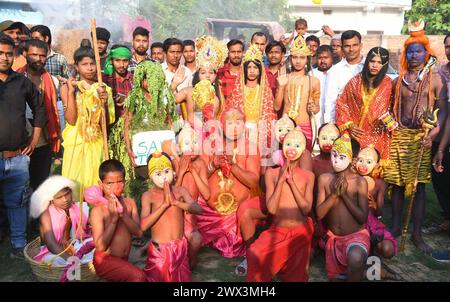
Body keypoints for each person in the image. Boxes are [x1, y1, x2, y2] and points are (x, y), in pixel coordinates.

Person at [384, 20, 447, 253]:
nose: (413, 55)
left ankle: (417, 234)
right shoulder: (398, 80)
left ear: (425, 52)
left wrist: (433, 134)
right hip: (399, 136)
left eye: (418, 50)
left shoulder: (435, 79)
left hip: (421, 138)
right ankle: (396, 226)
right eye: (409, 51)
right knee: (397, 185)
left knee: (419, 187)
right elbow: (392, 109)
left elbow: (442, 114)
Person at [246, 128, 314, 282]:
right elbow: (271, 209)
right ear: (282, 146)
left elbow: (306, 209)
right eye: (289, 143)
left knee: (295, 277)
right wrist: (281, 180)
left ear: (303, 151)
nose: (292, 148)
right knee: (254, 254)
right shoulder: (272, 173)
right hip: (278, 231)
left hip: (300, 231)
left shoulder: (308, 176)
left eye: (297, 145)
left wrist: (291, 182)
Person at [0, 34, 46, 258]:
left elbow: (40, 108)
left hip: (16, 157)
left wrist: (35, 139)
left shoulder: (21, 82)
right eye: (0, 53)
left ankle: (18, 246)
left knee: (17, 203)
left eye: (9, 53)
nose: (5, 58)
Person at [196, 108, 260, 258]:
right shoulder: (209, 145)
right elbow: (198, 177)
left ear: (244, 125)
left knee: (233, 245)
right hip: (208, 213)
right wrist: (213, 165)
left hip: (234, 214)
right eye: (230, 123)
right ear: (222, 125)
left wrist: (233, 165)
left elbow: (253, 181)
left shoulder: (250, 148)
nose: (235, 127)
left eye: (238, 122)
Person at [60, 46, 115, 195]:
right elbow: (71, 120)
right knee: (74, 187)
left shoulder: (104, 89)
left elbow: (107, 121)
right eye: (85, 64)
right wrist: (71, 93)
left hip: (96, 143)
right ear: (76, 66)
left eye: (92, 64)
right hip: (76, 144)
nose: (90, 68)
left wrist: (104, 101)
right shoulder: (68, 88)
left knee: (95, 185)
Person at [141, 151, 203, 282]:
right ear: (150, 176)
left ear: (173, 171)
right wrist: (164, 205)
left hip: (180, 248)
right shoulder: (148, 196)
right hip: (159, 251)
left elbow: (198, 209)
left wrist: (176, 203)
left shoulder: (180, 191)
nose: (163, 177)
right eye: (158, 173)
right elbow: (143, 226)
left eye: (167, 171)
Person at [316, 134, 370, 281]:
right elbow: (319, 214)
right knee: (338, 278)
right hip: (334, 240)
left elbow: (362, 218)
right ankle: (372, 271)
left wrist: (344, 195)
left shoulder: (359, 182)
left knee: (355, 257)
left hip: (356, 237)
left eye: (341, 156)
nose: (335, 160)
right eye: (334, 154)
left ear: (352, 160)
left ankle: (363, 268)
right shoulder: (324, 179)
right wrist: (334, 195)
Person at [118, 61, 178, 183]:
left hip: (162, 151)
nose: (149, 82)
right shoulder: (134, 98)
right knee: (145, 181)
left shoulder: (165, 97)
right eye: (145, 78)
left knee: (164, 180)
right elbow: (127, 124)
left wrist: (174, 145)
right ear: (140, 79)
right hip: (142, 153)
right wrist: (129, 148)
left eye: (153, 77)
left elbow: (170, 122)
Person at [89, 159, 146, 282]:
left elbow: (139, 232)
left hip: (124, 258)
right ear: (101, 184)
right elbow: (100, 247)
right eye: (109, 183)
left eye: (119, 181)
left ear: (125, 181)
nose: (115, 187)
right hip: (104, 260)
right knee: (139, 277)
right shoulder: (98, 211)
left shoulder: (130, 203)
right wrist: (114, 220)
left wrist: (123, 215)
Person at [16, 39, 61, 190]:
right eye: (34, 55)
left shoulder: (52, 81)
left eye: (42, 55)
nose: (38, 59)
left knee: (40, 184)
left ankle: (38, 212)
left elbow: (54, 110)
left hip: (43, 135)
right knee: (17, 184)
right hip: (19, 135)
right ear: (24, 54)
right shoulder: (16, 78)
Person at [335, 47, 393, 160]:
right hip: (356, 135)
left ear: (384, 64)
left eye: (379, 62)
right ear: (367, 62)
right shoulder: (355, 82)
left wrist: (388, 122)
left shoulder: (389, 84)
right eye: (372, 61)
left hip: (378, 136)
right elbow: (342, 104)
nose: (375, 65)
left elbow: (394, 108)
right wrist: (350, 125)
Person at [30, 176, 94, 267]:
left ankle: (81, 266)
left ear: (71, 191)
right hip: (56, 252)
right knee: (53, 261)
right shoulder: (46, 213)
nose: (65, 199)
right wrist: (72, 259)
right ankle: (77, 268)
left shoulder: (77, 207)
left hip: (75, 245)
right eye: (59, 197)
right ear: (51, 199)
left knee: (97, 246)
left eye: (67, 194)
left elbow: (92, 228)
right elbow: (51, 244)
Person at [227, 44, 277, 154]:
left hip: (259, 132)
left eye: (255, 67)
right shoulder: (238, 91)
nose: (252, 70)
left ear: (260, 71)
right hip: (241, 131)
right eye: (249, 67)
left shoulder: (264, 91)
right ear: (244, 70)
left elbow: (269, 115)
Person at [277, 35, 320, 151]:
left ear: (307, 59)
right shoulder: (284, 78)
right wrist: (281, 87)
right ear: (290, 58)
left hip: (305, 127)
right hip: (285, 127)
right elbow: (276, 106)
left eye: (302, 57)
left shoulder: (314, 81)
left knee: (305, 162)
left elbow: (317, 109)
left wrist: (313, 107)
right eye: (295, 57)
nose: (298, 61)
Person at [174, 123, 209, 268]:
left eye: (195, 142)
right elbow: (174, 194)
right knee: (178, 240)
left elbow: (206, 194)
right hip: (176, 211)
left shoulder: (200, 163)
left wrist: (194, 171)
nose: (192, 146)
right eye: (188, 143)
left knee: (196, 239)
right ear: (180, 148)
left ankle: (190, 260)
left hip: (191, 212)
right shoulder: (175, 163)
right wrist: (181, 172)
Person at [175, 35, 227, 125]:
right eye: (203, 73)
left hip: (207, 132)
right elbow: (167, 102)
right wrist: (174, 84)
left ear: (215, 76)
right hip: (189, 133)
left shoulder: (215, 98)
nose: (207, 76)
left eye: (211, 73)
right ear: (197, 75)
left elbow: (211, 121)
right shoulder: (189, 91)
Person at [430, 33, 450, 235]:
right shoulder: (442, 72)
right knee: (440, 177)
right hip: (440, 133)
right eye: (447, 46)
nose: (449, 49)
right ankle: (447, 218)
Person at [323, 30, 365, 124]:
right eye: (347, 46)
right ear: (342, 48)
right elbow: (330, 101)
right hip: (343, 123)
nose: (351, 49)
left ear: (361, 46)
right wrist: (330, 124)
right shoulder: (335, 71)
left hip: (366, 122)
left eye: (355, 45)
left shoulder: (369, 66)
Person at [102, 44, 133, 125]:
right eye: (117, 60)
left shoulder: (134, 79)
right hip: (111, 126)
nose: (122, 65)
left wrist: (129, 100)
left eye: (125, 61)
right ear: (111, 61)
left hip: (131, 125)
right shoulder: (104, 80)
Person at [312, 45, 334, 130]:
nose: (323, 61)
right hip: (316, 118)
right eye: (320, 58)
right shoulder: (311, 74)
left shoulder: (337, 72)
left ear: (332, 58)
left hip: (333, 117)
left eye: (326, 57)